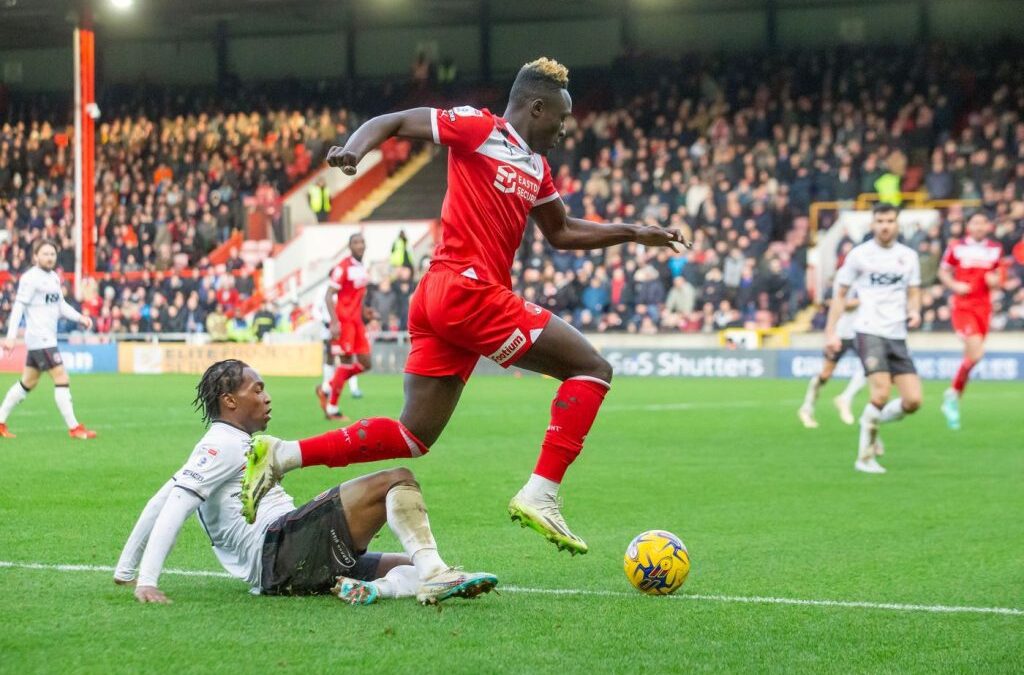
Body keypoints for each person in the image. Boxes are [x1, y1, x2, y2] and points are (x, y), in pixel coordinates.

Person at [243, 57, 684, 555]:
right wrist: (354, 150)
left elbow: (561, 231)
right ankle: (542, 493)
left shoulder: (536, 166)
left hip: (442, 299)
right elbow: (392, 121)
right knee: (592, 369)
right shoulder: (478, 127)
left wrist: (633, 232)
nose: (564, 130)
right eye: (560, 119)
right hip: (467, 292)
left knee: (414, 435)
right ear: (536, 107)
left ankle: (281, 454)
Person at [113, 359, 497, 606]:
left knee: (406, 562)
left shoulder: (225, 444)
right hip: (278, 548)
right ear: (229, 401)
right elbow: (176, 504)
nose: (267, 397)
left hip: (285, 559)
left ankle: (377, 588)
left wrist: (126, 570)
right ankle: (434, 576)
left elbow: (157, 502)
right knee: (396, 480)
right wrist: (147, 580)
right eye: (257, 389)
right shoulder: (221, 444)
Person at [826, 203, 922, 474]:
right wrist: (831, 332)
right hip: (868, 329)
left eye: (890, 220)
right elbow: (840, 295)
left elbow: (914, 291)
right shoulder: (859, 256)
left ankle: (870, 420)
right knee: (880, 393)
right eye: (880, 221)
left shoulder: (908, 257)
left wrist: (914, 311)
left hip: (897, 333)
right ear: (872, 225)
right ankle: (864, 458)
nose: (884, 225)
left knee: (913, 401)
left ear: (897, 224)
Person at [0, 239, 96, 439]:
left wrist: (80, 318)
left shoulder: (53, 278)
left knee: (28, 382)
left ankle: (0, 422)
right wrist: (10, 337)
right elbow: (18, 307)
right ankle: (74, 428)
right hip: (40, 338)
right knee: (61, 377)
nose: (49, 257)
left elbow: (60, 305)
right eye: (45, 254)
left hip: (44, 339)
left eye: (52, 254)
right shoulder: (30, 278)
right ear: (36, 256)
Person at [936, 212, 1002, 430]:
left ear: (988, 226)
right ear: (969, 225)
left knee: (972, 357)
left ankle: (953, 395)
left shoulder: (995, 249)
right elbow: (943, 271)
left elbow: (996, 277)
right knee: (976, 353)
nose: (979, 226)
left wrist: (994, 281)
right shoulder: (956, 247)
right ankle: (952, 394)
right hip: (963, 307)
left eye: (983, 222)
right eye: (975, 222)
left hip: (984, 308)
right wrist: (955, 286)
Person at [318, 233, 371, 420]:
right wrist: (334, 322)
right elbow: (328, 295)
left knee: (366, 363)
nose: (360, 245)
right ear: (350, 246)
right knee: (346, 363)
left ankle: (326, 388)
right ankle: (333, 408)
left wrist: (365, 312)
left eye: (362, 242)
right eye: (356, 242)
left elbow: (360, 294)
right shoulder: (342, 267)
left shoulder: (363, 267)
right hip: (345, 322)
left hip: (357, 322)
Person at [798, 285, 866, 428]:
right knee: (825, 375)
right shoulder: (839, 283)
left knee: (869, 367)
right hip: (839, 334)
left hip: (860, 333)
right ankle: (806, 408)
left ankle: (845, 398)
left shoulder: (866, 282)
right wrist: (859, 301)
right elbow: (834, 303)